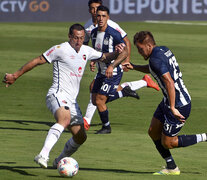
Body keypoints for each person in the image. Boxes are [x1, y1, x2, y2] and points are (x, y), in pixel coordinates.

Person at [2, 23, 128, 169]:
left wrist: (118, 52)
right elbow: (37, 61)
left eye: (81, 38)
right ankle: (43, 154)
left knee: (81, 137)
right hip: (57, 93)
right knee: (65, 119)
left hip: (72, 102)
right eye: (75, 38)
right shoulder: (60, 49)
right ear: (69, 36)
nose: (79, 41)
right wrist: (16, 75)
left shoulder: (87, 50)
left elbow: (107, 57)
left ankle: (59, 161)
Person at [126, 30, 207, 175]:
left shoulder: (154, 60)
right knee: (153, 131)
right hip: (169, 101)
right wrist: (134, 66)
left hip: (178, 105)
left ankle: (205, 137)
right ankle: (171, 167)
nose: (139, 52)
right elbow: (155, 70)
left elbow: (169, 82)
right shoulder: (163, 50)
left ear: (149, 45)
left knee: (168, 142)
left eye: (140, 49)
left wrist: (172, 108)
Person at [83, 0, 160, 132]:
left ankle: (105, 127)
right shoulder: (93, 32)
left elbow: (124, 50)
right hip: (102, 70)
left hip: (113, 71)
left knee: (100, 100)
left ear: (108, 17)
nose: (99, 17)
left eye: (103, 15)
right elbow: (98, 51)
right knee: (95, 99)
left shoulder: (113, 33)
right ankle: (124, 91)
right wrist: (94, 60)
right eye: (97, 14)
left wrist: (114, 65)